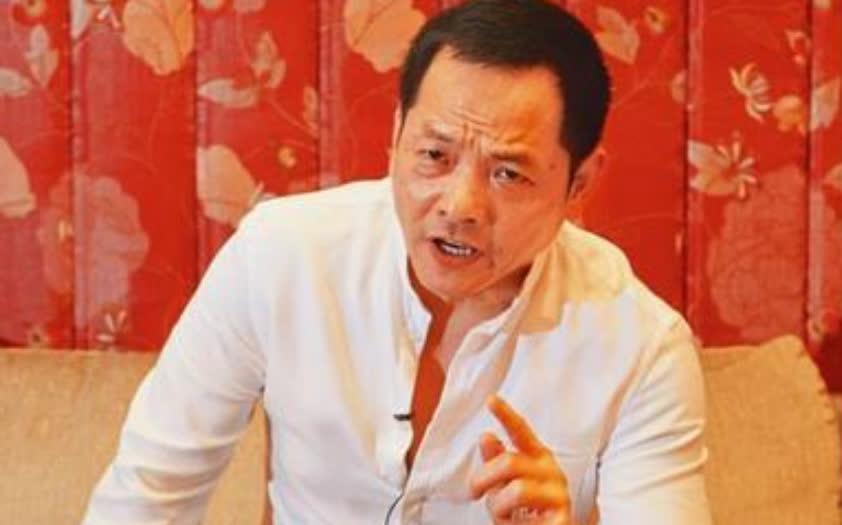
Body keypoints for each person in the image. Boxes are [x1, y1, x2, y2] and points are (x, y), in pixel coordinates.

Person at [83, 0, 711, 523]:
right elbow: (147, 496)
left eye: (508, 173)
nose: (459, 206)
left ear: (580, 183)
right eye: (434, 156)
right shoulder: (280, 257)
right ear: (395, 135)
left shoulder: (643, 348)